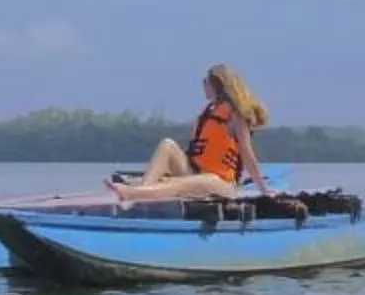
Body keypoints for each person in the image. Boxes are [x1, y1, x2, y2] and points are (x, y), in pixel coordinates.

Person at [111, 65, 271, 202]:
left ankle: (132, 194)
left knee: (177, 184)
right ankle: (142, 191)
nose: (203, 86)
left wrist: (264, 189)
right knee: (168, 145)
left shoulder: (236, 116)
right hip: (196, 173)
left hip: (221, 182)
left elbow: (247, 154)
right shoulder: (209, 113)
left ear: (218, 85)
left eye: (206, 82)